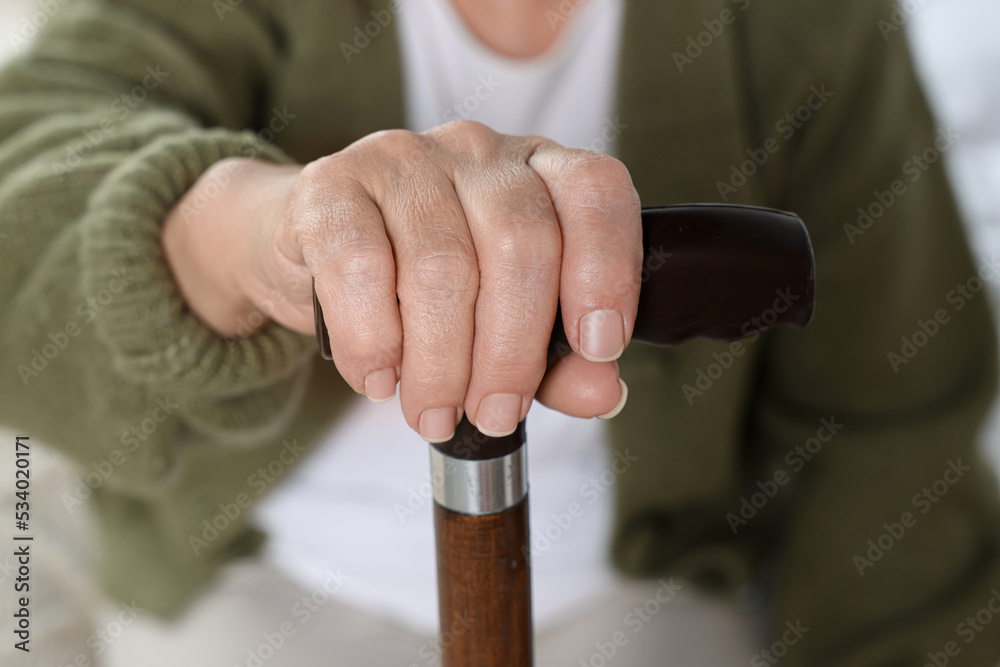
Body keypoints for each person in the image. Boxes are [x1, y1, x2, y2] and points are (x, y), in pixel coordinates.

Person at [0, 0, 998, 664]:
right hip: (263, 575)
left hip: (640, 588)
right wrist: (244, 229)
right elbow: (36, 171)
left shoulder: (805, 28)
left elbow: (891, 422)